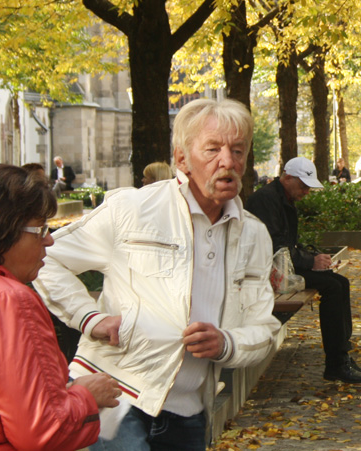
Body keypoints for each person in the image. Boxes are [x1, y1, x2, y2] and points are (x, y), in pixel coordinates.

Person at [34, 98, 280, 450]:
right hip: (117, 401)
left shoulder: (253, 234)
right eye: (212, 149)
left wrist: (227, 343)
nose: (228, 161)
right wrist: (89, 317)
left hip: (190, 412)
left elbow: (264, 327)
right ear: (181, 158)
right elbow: (45, 256)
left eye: (238, 150)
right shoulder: (133, 209)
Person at [0, 164, 121, 450]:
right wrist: (85, 395)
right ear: (3, 230)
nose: (49, 239)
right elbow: (41, 430)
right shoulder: (9, 301)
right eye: (40, 229)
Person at [245, 157, 361, 384]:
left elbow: (287, 245)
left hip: (279, 266)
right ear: (287, 177)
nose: (306, 192)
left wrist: (313, 258)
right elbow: (274, 247)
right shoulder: (266, 200)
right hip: (265, 271)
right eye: (303, 186)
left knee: (340, 283)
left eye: (308, 188)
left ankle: (342, 353)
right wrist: (311, 261)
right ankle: (336, 363)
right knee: (332, 286)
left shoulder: (281, 198)